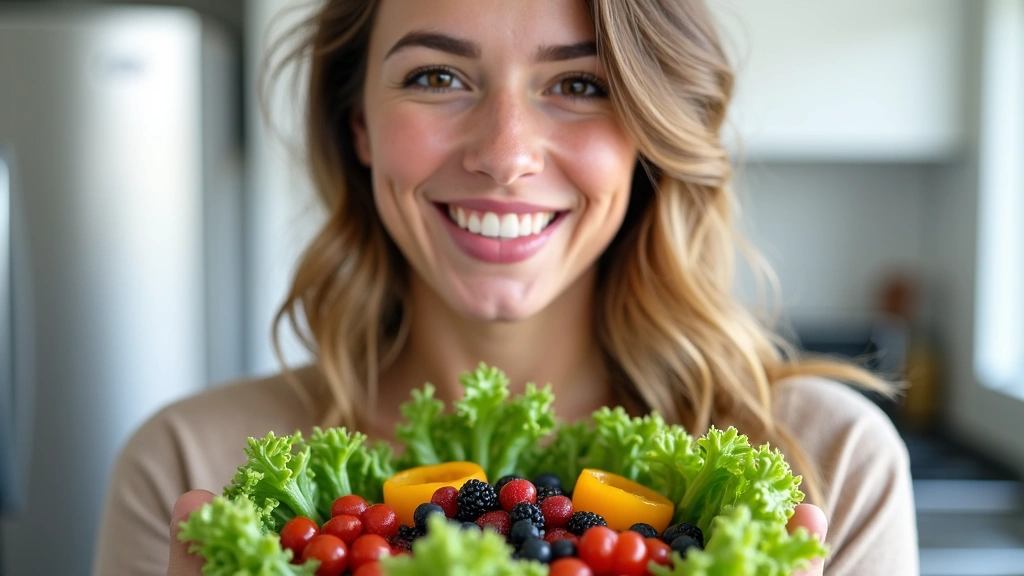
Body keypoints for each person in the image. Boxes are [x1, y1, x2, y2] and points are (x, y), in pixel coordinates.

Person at [92, 0, 919, 574]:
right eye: (438, 77)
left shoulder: (827, 465)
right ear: (359, 127)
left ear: (652, 134)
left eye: (581, 84)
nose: (505, 152)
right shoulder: (189, 467)